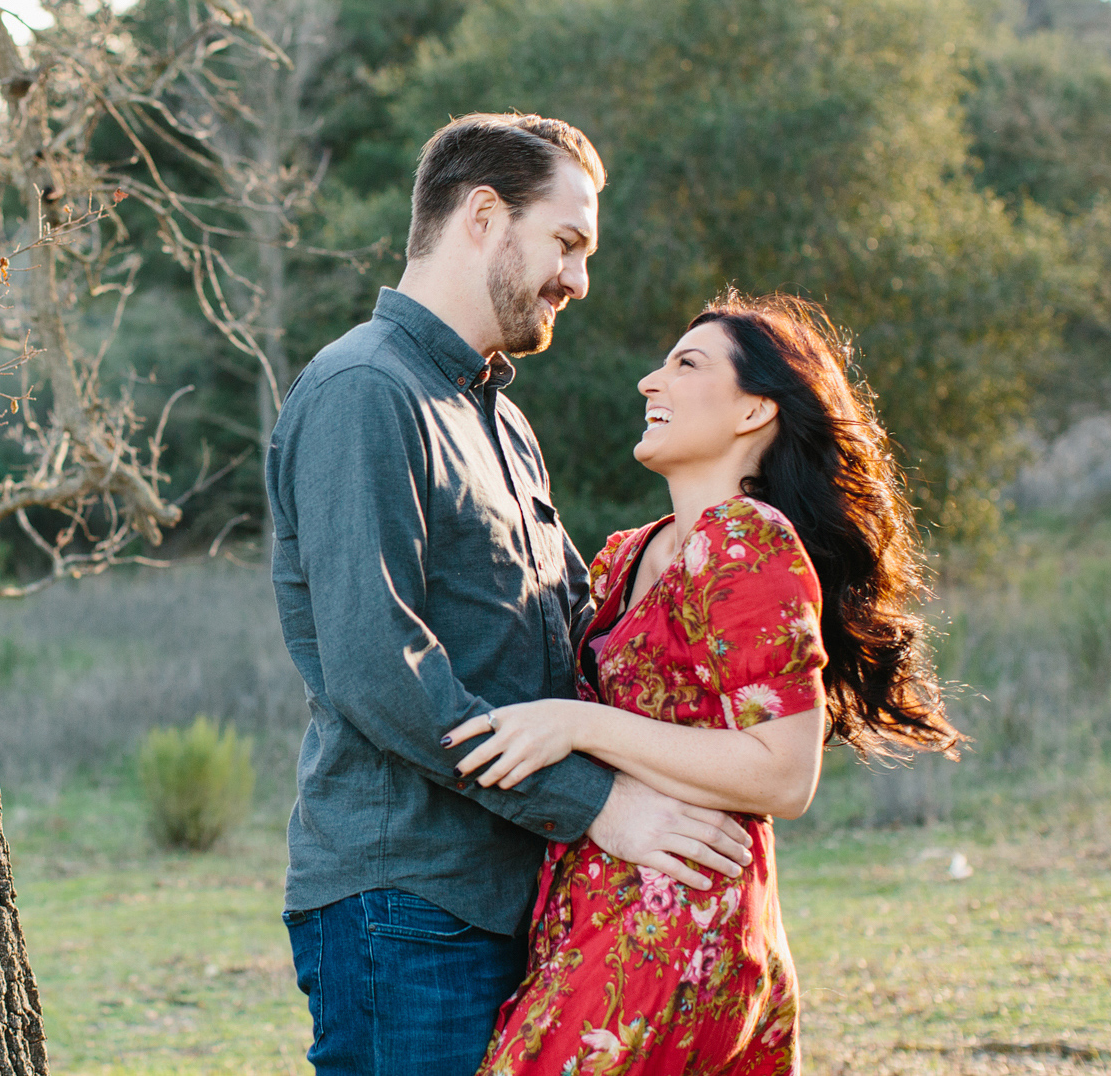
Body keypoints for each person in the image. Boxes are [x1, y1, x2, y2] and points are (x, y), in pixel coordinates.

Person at [267, 113, 755, 1076]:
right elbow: (379, 666)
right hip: (405, 906)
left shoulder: (503, 421)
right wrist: (596, 804)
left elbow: (571, 638)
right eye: (566, 243)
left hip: (515, 896)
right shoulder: (364, 390)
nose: (578, 280)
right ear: (483, 215)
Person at [452, 293, 962, 1075]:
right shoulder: (626, 554)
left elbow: (786, 774)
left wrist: (575, 725)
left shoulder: (748, 538)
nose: (649, 383)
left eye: (686, 364)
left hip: (681, 911)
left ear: (755, 409)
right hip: (603, 900)